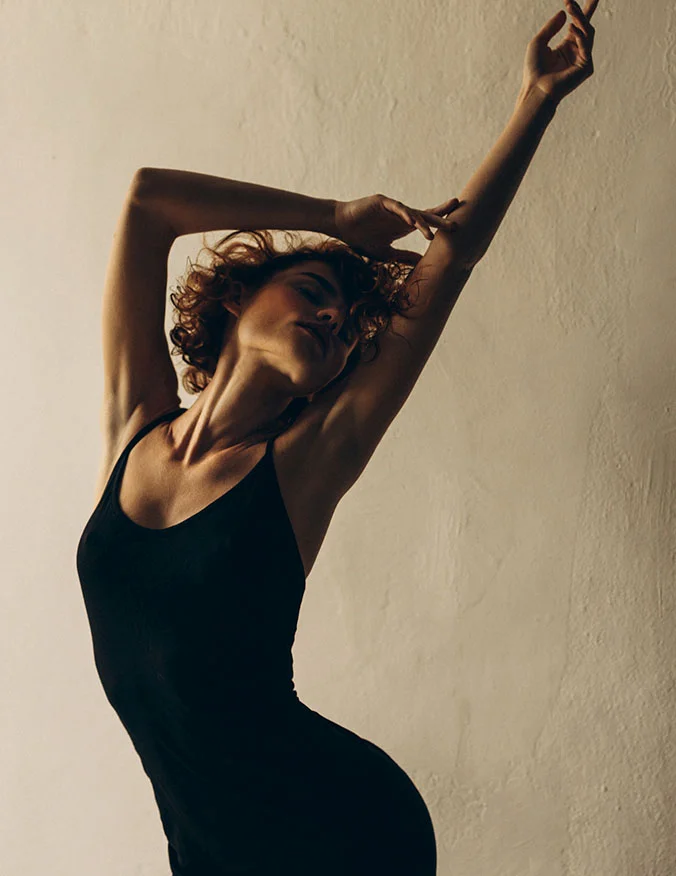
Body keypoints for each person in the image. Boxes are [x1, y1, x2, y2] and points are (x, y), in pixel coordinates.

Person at [76, 3, 598, 873]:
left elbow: (449, 260)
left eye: (350, 324)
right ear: (240, 299)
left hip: (337, 829)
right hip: (208, 850)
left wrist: (535, 101)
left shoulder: (301, 465)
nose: (332, 316)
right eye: (315, 289)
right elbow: (145, 202)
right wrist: (333, 219)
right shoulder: (135, 428)